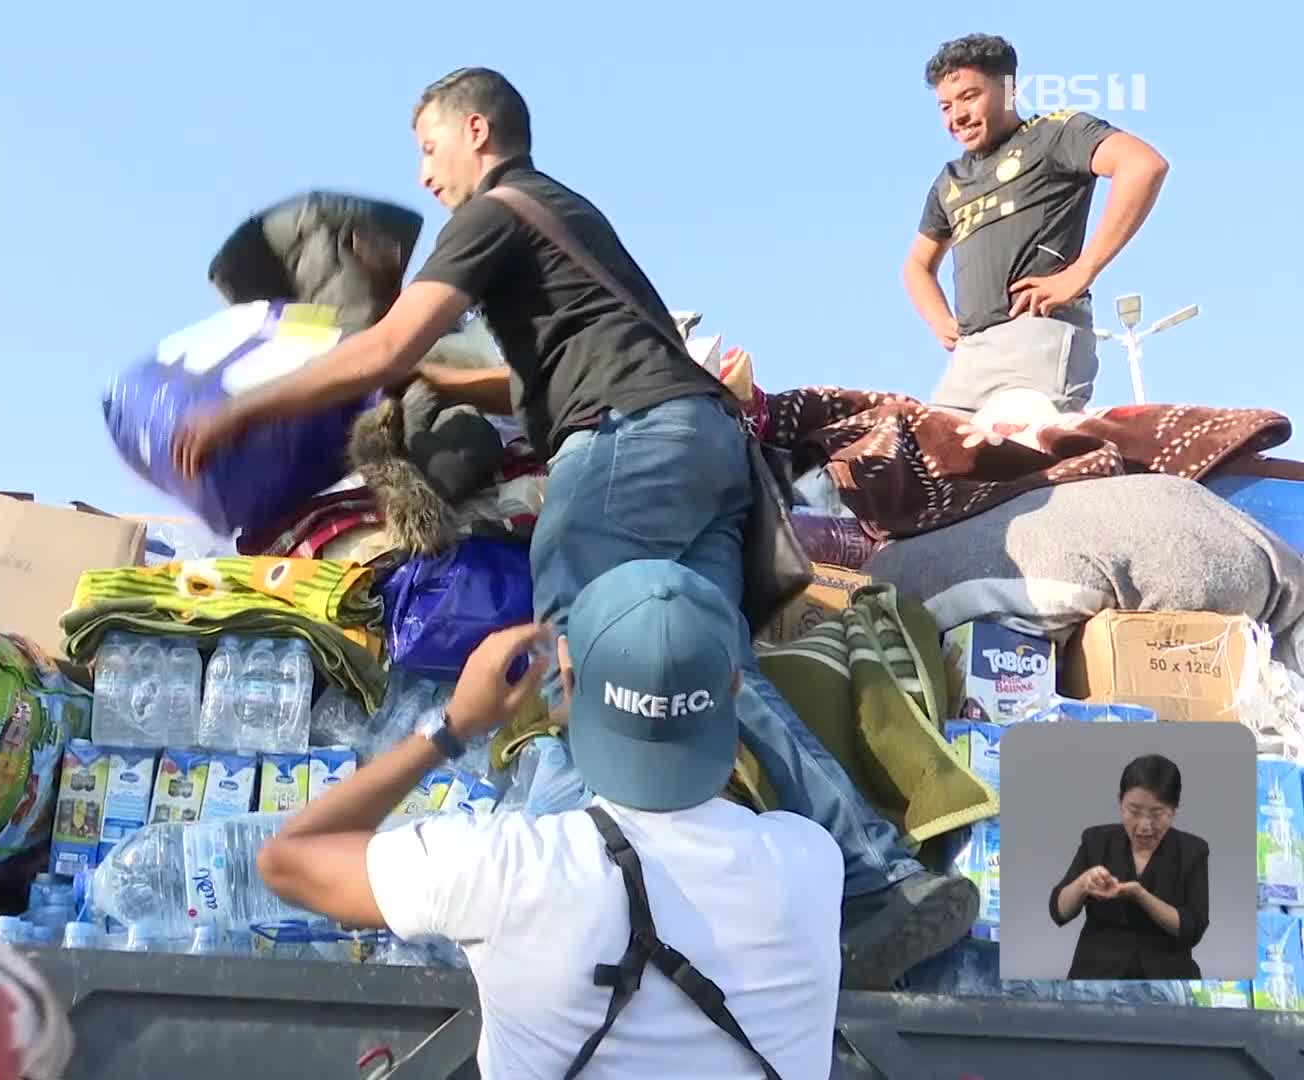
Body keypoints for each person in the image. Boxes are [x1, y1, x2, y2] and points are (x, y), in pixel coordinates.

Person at [176, 65, 977, 988]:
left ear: (475, 130)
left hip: (629, 448)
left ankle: (555, 908)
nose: (427, 176)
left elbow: (389, 342)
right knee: (710, 665)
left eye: (429, 149)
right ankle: (882, 881)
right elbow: (505, 371)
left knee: (570, 656)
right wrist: (432, 384)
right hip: (705, 448)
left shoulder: (495, 209)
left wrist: (241, 411)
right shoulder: (563, 220)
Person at [257, 560, 843, 1079]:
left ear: (566, 682)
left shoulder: (502, 869)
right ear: (733, 689)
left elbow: (288, 859)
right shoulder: (811, 860)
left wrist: (455, 724)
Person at [905, 34, 1169, 414]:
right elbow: (916, 265)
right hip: (970, 355)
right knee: (935, 457)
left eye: (969, 97)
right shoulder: (951, 179)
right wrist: (939, 320)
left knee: (1022, 450)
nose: (956, 116)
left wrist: (1082, 271)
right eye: (945, 106)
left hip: (1037, 333)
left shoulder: (1053, 134)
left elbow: (1143, 165)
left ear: (1009, 90)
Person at [1049, 753, 1210, 980]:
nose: (1145, 826)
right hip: (1096, 976)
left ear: (1173, 811)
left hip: (1166, 980)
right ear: (1120, 803)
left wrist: (1140, 895)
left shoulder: (1192, 851)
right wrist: (1083, 883)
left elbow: (1192, 929)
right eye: (1133, 812)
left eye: (1156, 814)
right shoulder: (1096, 841)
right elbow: (1059, 912)